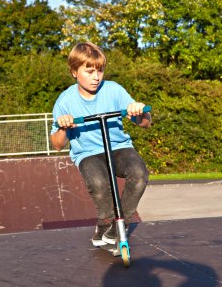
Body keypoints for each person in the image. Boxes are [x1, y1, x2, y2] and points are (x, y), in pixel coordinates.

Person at [50, 42, 151, 247]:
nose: (96, 77)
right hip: (88, 153)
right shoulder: (65, 101)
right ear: (74, 72)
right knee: (98, 183)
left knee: (139, 174)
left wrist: (141, 112)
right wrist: (63, 127)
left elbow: (146, 124)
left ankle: (119, 224)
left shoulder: (114, 90)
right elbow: (57, 145)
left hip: (119, 147)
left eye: (100, 70)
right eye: (89, 71)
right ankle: (104, 221)